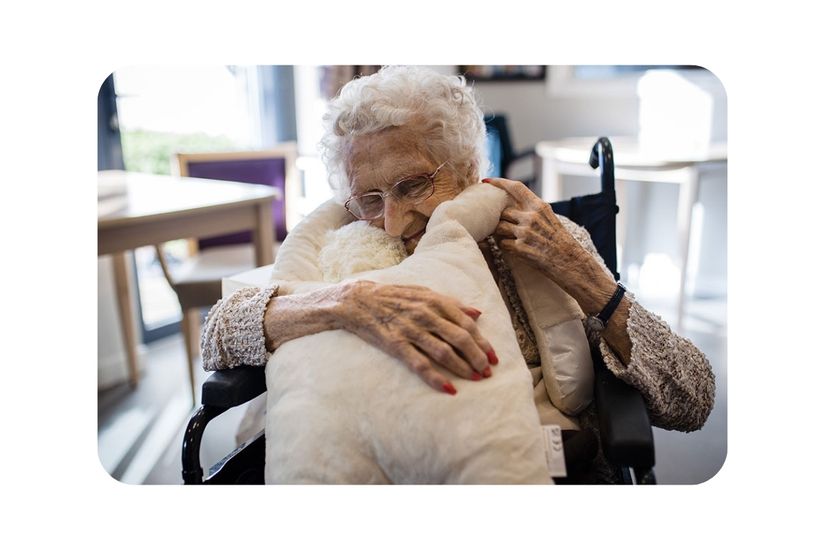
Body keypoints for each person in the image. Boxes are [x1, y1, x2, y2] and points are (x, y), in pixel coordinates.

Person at [201, 65, 715, 481]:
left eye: (413, 185)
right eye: (370, 198)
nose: (394, 220)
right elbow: (218, 335)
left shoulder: (542, 241)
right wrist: (344, 303)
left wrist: (583, 273)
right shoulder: (340, 249)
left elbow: (692, 400)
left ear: (469, 169)